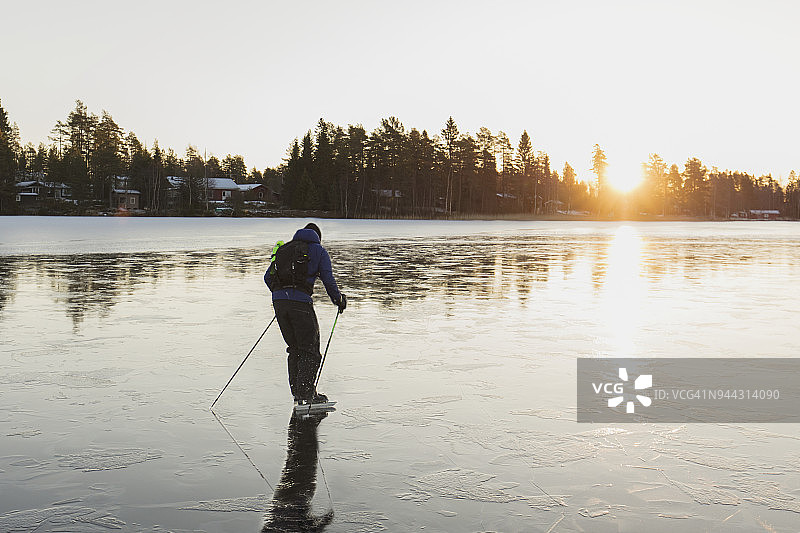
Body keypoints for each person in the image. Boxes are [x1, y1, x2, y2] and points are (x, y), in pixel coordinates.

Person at [265, 223, 346, 405]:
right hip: (300, 304)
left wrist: (282, 295)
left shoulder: (284, 249)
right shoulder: (318, 251)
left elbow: (268, 277)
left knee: (294, 349)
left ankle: (298, 393)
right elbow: (327, 278)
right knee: (310, 350)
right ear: (317, 237)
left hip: (279, 303)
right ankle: (307, 395)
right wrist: (338, 299)